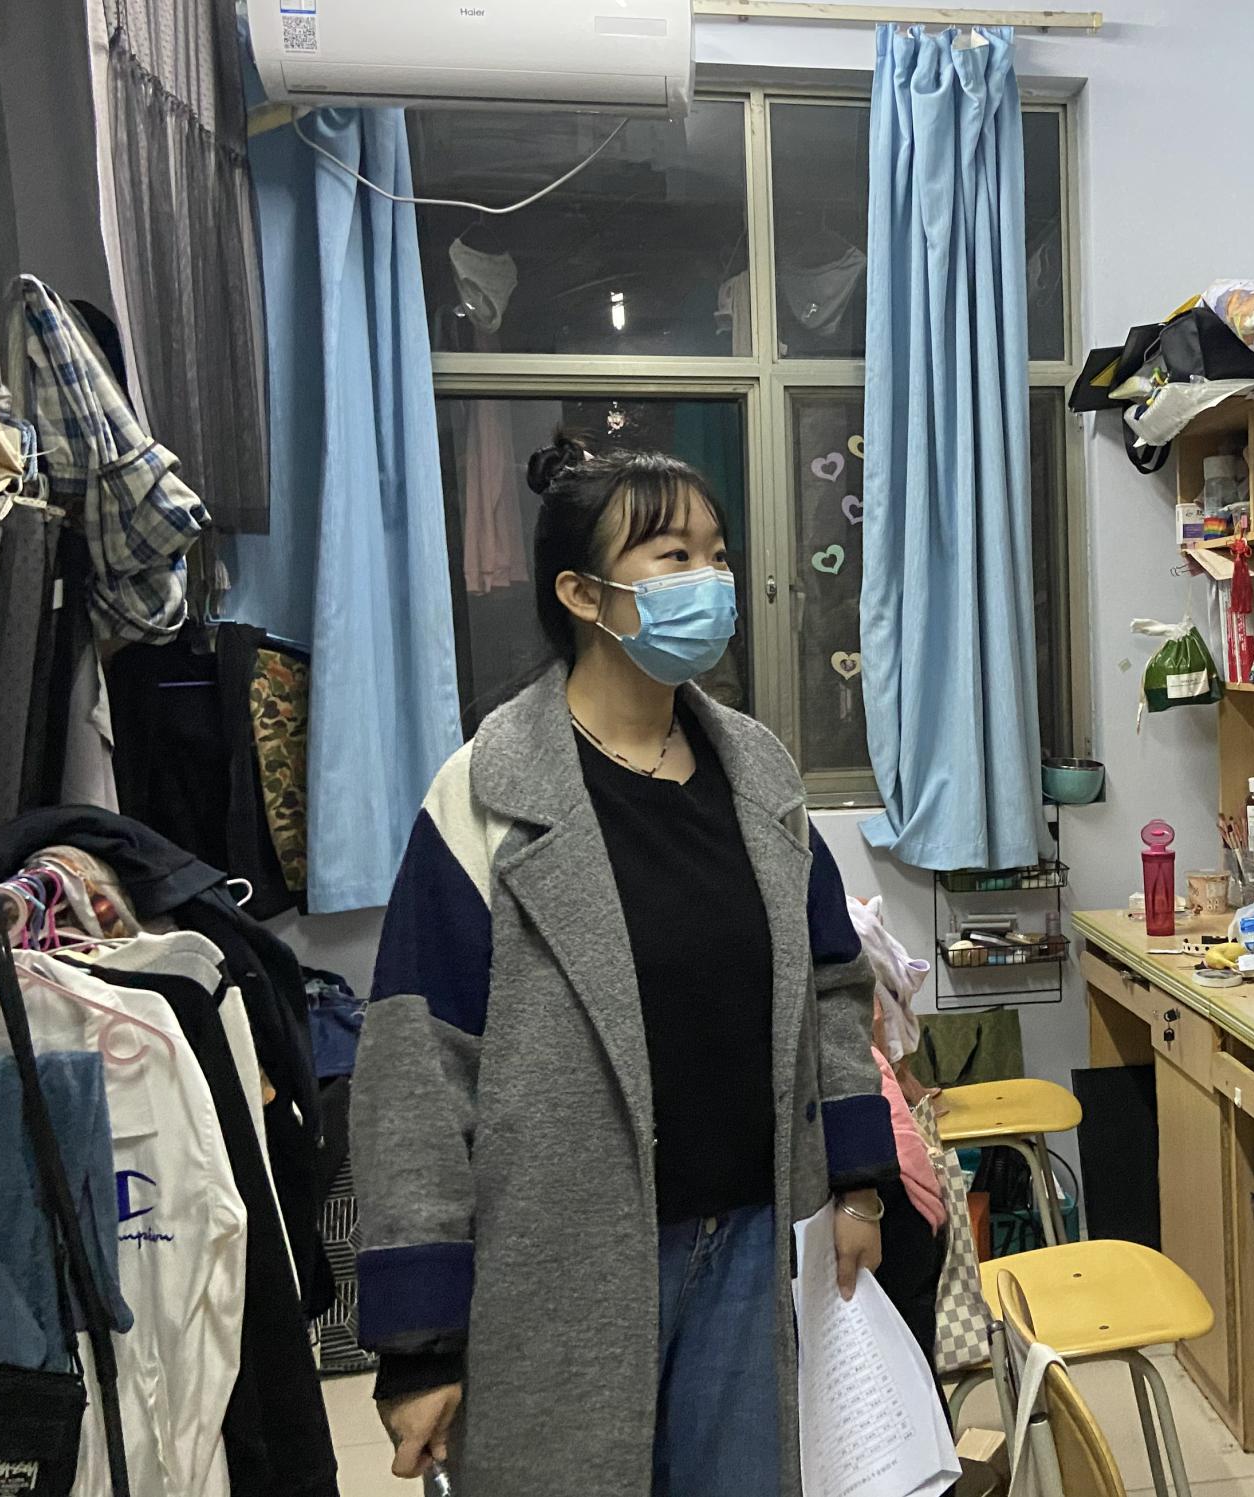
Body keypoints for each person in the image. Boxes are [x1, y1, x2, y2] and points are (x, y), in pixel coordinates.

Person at [351, 439, 899, 1496]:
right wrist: (420, 1343)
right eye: (672, 557)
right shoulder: (486, 795)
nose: (711, 581)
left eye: (716, 554)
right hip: (561, 1266)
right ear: (581, 593)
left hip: (753, 1245)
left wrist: (858, 1185)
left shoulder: (759, 774)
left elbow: (834, 987)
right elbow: (417, 1075)